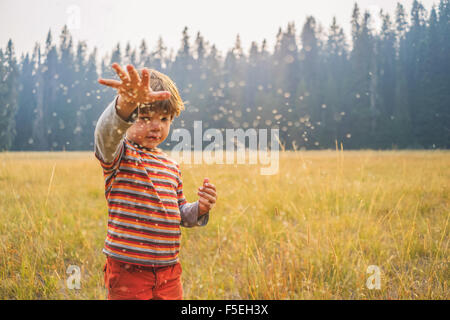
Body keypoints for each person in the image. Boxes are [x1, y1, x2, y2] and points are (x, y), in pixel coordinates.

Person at [95, 63, 217, 300]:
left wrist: (199, 208)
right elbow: (106, 135)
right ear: (128, 119)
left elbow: (179, 212)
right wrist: (125, 105)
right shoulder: (120, 155)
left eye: (164, 118)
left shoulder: (171, 166)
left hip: (168, 272)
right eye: (144, 117)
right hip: (128, 270)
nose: (156, 126)